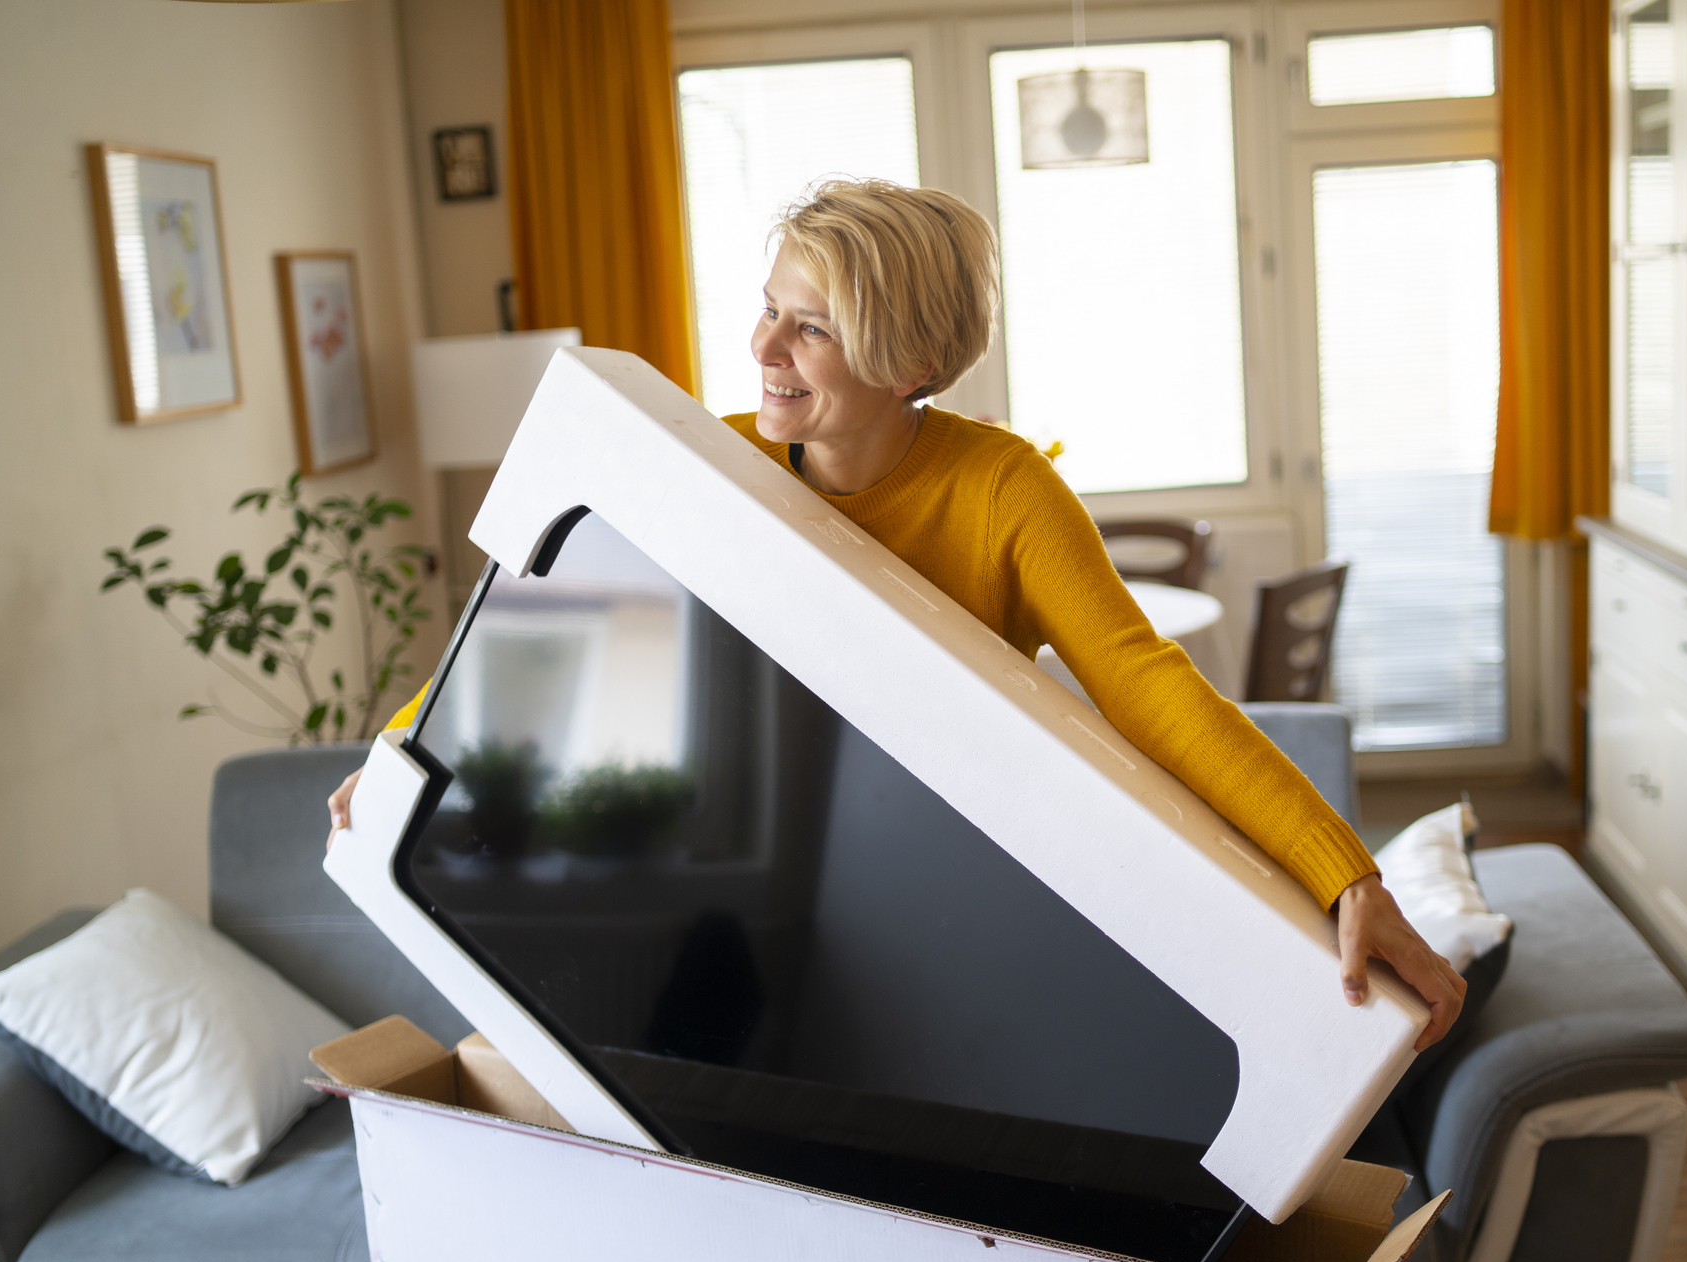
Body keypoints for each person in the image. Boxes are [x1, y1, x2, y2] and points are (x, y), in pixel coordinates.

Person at [329, 179, 1465, 1048]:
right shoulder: (713, 459)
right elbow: (551, 610)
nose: (764, 349)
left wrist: (1346, 874)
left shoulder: (1004, 490)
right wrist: (408, 743)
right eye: (768, 310)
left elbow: (1148, 684)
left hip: (938, 899)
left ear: (911, 358)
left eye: (811, 328)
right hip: (735, 873)